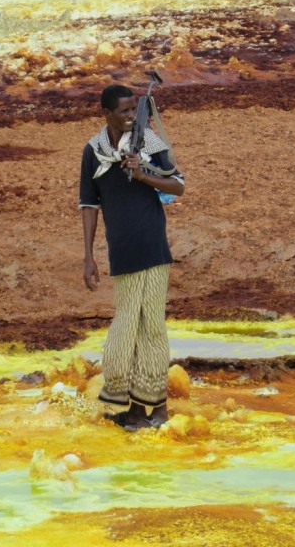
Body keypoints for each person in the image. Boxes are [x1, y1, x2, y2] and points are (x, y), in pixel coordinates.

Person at [79, 83, 185, 430]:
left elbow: (178, 185)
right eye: (122, 111)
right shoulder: (93, 152)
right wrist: (88, 256)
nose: (128, 117)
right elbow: (89, 205)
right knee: (126, 325)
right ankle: (133, 407)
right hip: (122, 249)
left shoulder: (150, 143)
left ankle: (158, 407)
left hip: (153, 246)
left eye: (132, 110)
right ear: (106, 113)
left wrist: (143, 173)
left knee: (151, 325)